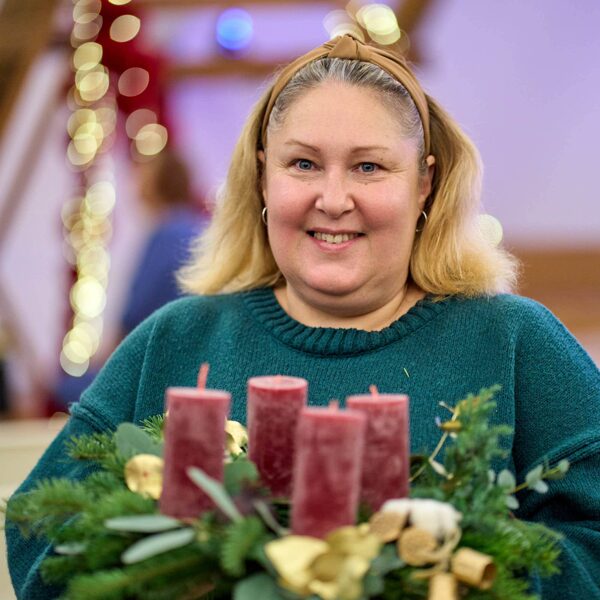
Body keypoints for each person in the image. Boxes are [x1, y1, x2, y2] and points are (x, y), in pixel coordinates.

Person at [6, 35, 600, 599]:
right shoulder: (176, 339)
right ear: (263, 176)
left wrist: (451, 577)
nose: (333, 200)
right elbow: (41, 528)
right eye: (303, 164)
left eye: (369, 167)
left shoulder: (515, 341)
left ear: (425, 183)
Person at [54, 147, 208, 408]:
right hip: (189, 364)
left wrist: (106, 363)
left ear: (156, 183)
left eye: (143, 174)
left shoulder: (165, 235)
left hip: (155, 368)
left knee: (63, 388)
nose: (135, 182)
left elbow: (135, 317)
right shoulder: (196, 229)